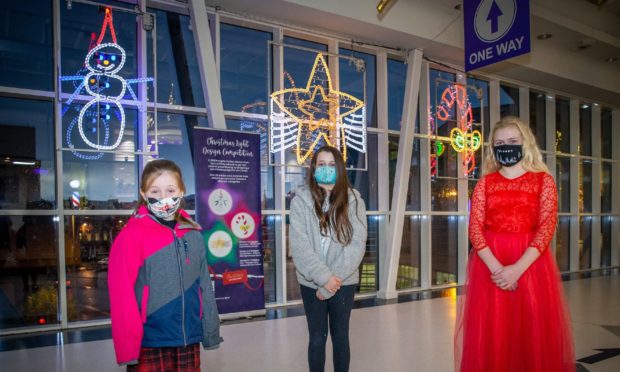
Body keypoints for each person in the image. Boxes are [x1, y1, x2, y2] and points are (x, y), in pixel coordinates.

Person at [455, 116, 575, 372]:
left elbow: (546, 229)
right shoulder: (485, 183)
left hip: (530, 265)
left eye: (512, 141)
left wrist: (515, 270)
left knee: (531, 329)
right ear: (492, 147)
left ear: (525, 143)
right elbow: (475, 229)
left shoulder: (544, 181)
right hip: (489, 267)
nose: (506, 146)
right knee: (495, 330)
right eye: (500, 142)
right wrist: (499, 270)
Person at [108, 159, 222, 371]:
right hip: (150, 340)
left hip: (188, 337)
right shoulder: (131, 236)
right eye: (155, 190)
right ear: (143, 194)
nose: (163, 198)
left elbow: (204, 286)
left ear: (181, 191)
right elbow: (121, 296)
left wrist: (210, 332)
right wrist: (128, 349)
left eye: (170, 190)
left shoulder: (193, 234)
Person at [289, 145, 368, 372]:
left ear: (340, 169)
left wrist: (333, 281)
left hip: (344, 282)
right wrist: (324, 278)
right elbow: (300, 247)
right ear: (313, 169)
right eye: (321, 164)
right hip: (311, 282)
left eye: (332, 165)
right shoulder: (300, 201)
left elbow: (357, 244)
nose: (326, 169)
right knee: (316, 337)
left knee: (341, 336)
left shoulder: (354, 201)